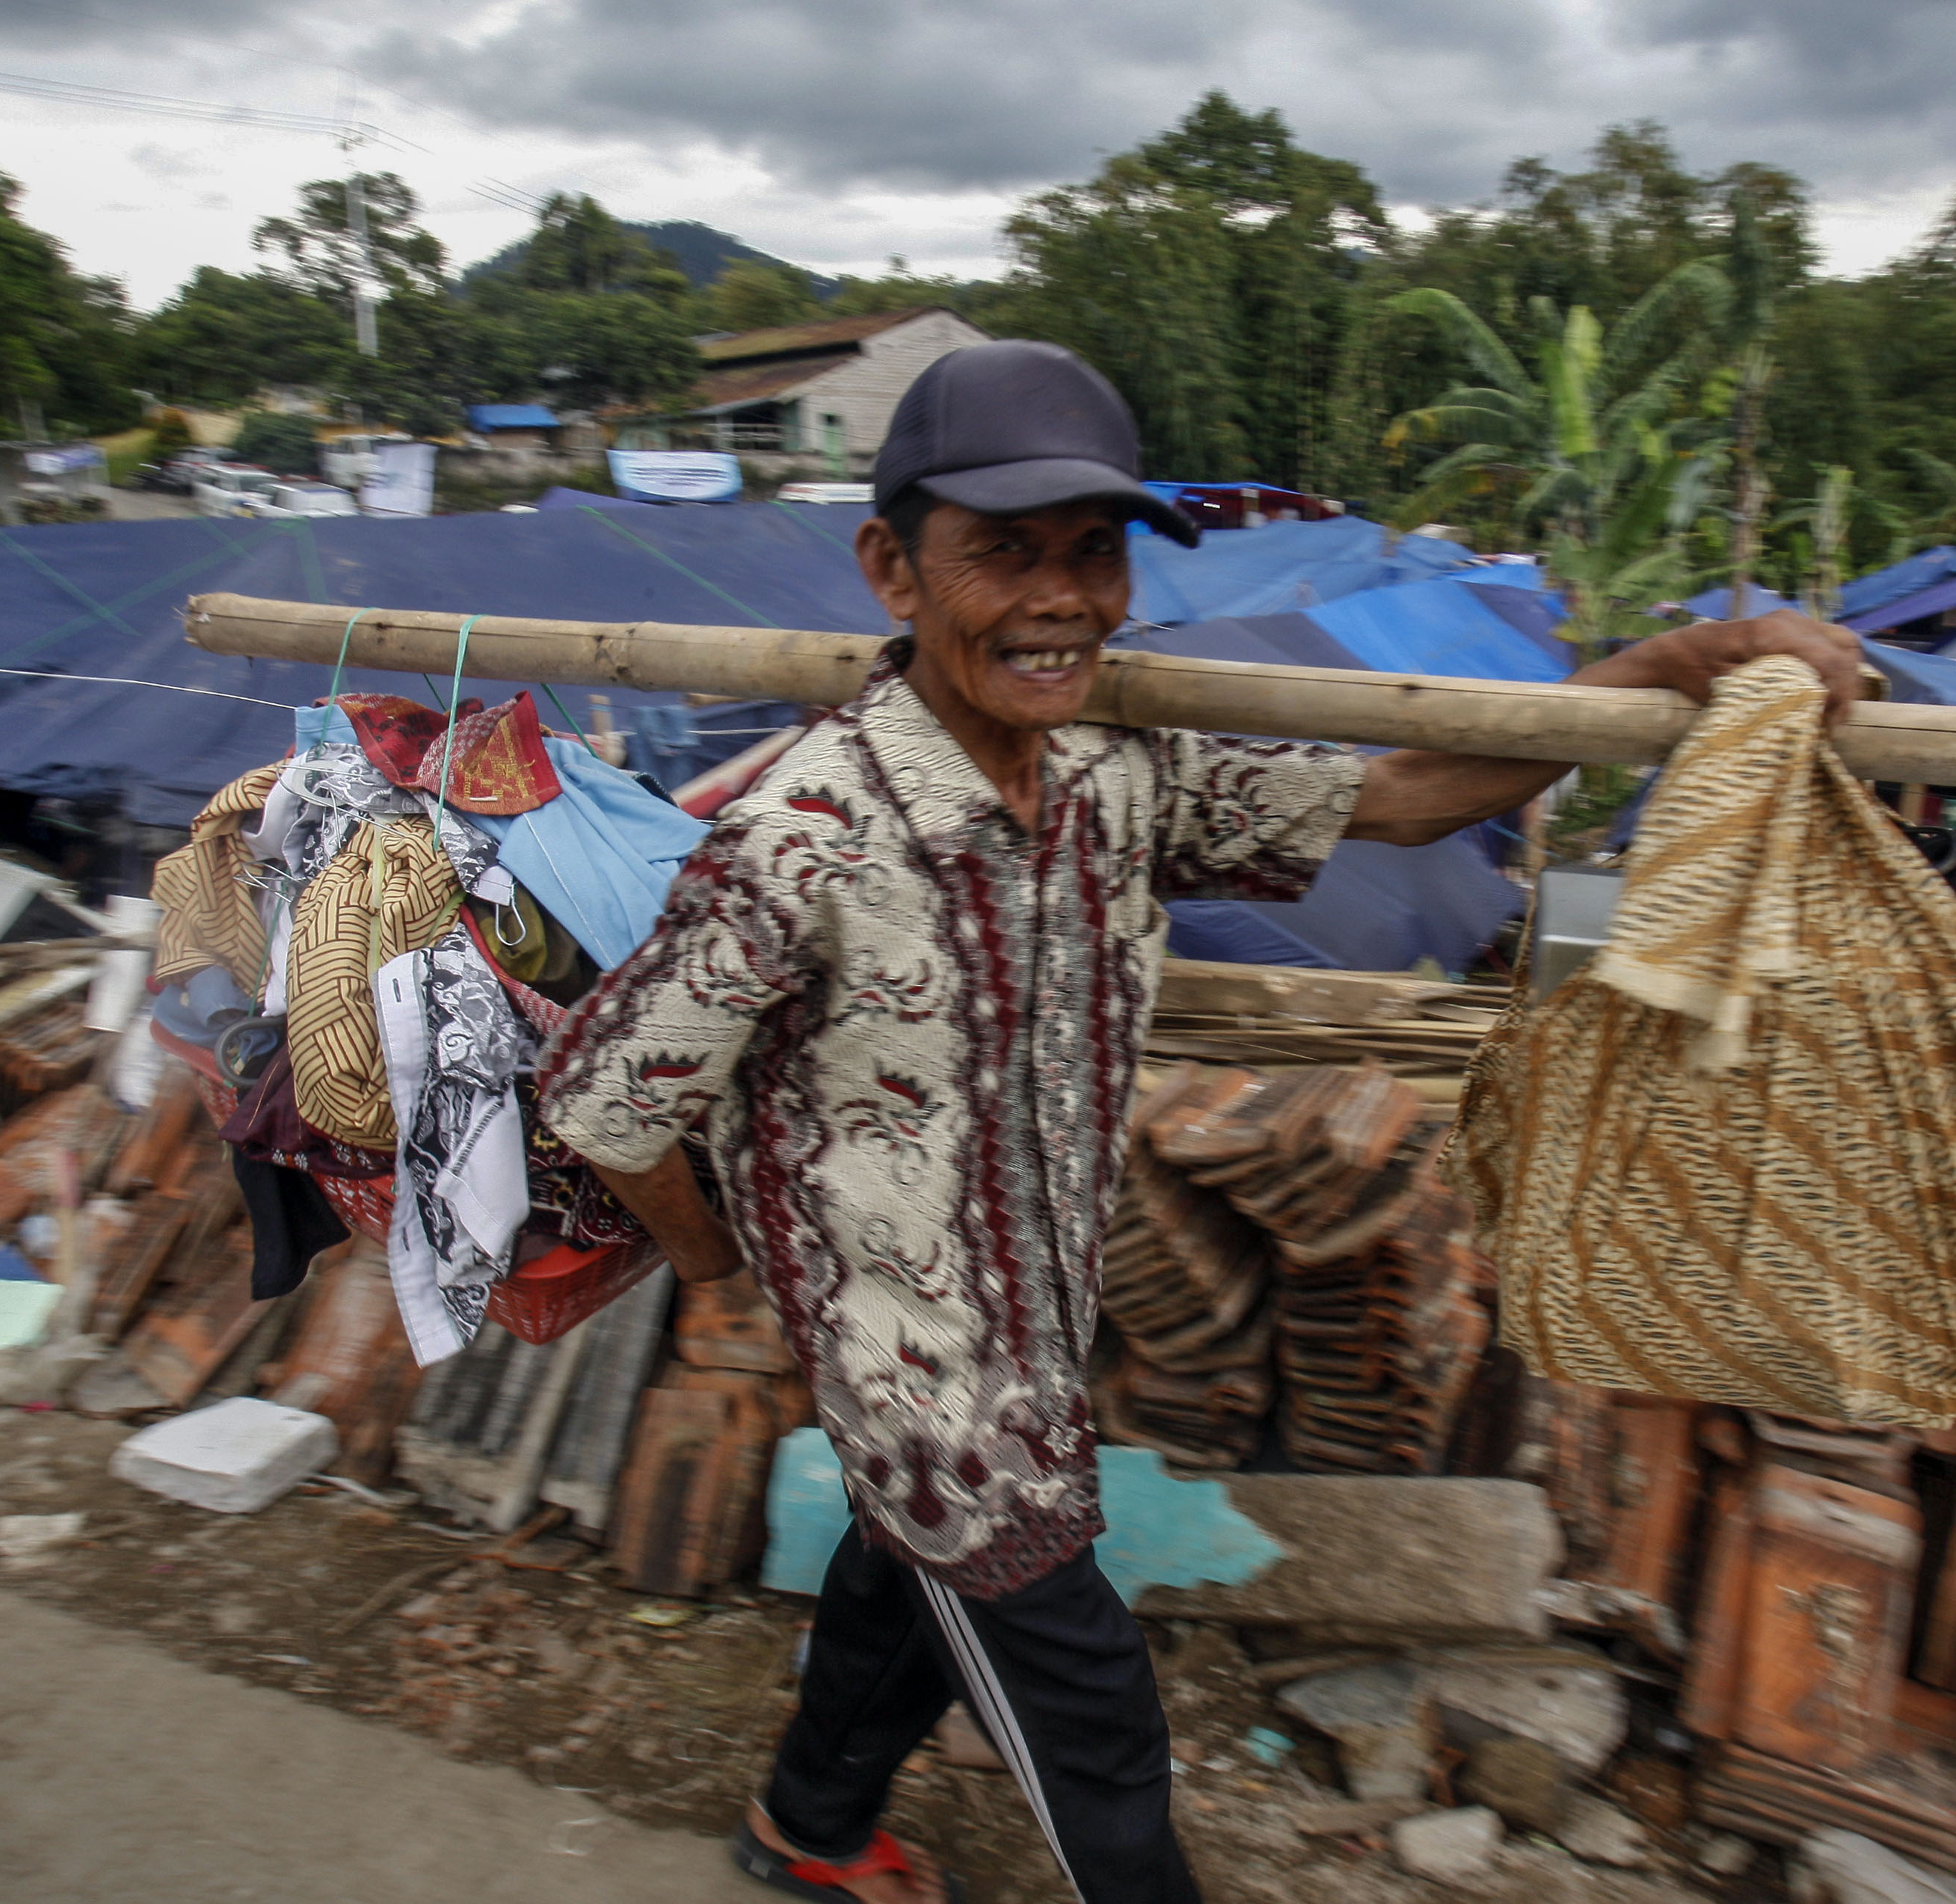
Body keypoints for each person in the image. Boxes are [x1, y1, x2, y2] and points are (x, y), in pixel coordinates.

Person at [534, 340, 1863, 1904]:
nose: (1060, 598)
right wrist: (729, 1274)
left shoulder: (1115, 778)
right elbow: (604, 1096)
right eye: (1003, 551)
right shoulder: (801, 837)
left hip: (1039, 1319)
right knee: (1090, 1720)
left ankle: (804, 1826)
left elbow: (1409, 793)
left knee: (907, 1579)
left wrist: (1679, 663)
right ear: (892, 568)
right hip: (916, 1369)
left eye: (1093, 551)